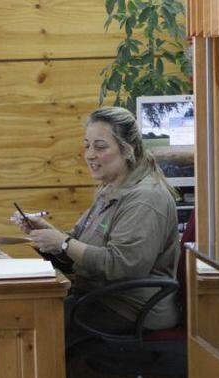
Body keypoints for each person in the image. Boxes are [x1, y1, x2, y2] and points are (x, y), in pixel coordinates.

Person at [13, 106, 181, 347]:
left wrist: (62, 242)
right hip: (101, 298)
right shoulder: (110, 189)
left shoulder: (146, 198)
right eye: (87, 146)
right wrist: (45, 233)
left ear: (127, 150)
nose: (90, 154)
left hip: (131, 308)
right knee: (25, 315)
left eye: (100, 147)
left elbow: (122, 266)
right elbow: (77, 245)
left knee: (32, 327)